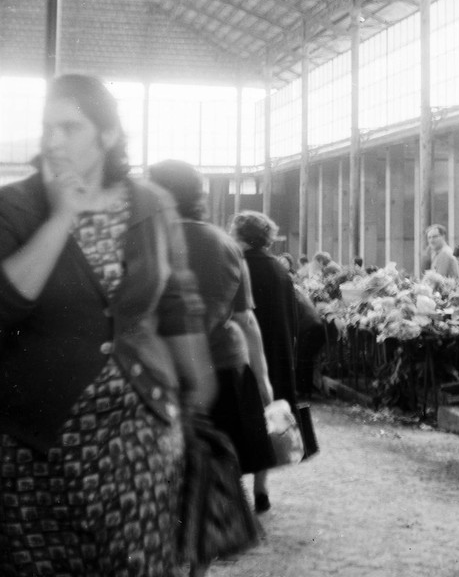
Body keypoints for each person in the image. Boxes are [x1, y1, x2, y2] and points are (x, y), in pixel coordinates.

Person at [0, 74, 216, 576]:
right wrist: (61, 217)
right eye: (47, 128)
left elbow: (177, 302)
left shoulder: (150, 204)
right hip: (36, 443)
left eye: (69, 128)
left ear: (109, 135)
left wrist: (198, 383)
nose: (53, 141)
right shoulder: (14, 207)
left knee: (139, 564)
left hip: (138, 434)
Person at [147, 159, 276, 480]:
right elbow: (246, 320)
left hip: (163, 370)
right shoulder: (226, 244)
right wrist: (262, 378)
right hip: (224, 365)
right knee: (222, 467)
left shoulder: (148, 241)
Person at [228, 210, 299, 514]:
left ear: (239, 234)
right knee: (267, 421)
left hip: (244, 355)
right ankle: (261, 489)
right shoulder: (280, 269)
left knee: (237, 423)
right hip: (277, 355)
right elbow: (294, 317)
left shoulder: (236, 265)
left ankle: (235, 490)